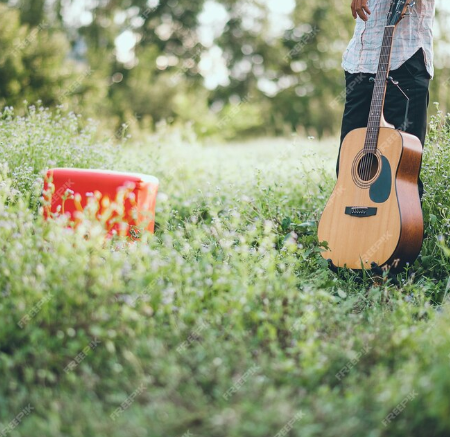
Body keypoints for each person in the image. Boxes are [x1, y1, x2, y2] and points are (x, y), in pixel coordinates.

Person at [338, 0, 435, 198]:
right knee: (349, 166)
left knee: (400, 171)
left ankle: (401, 229)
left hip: (404, 58)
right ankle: (349, 227)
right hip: (360, 61)